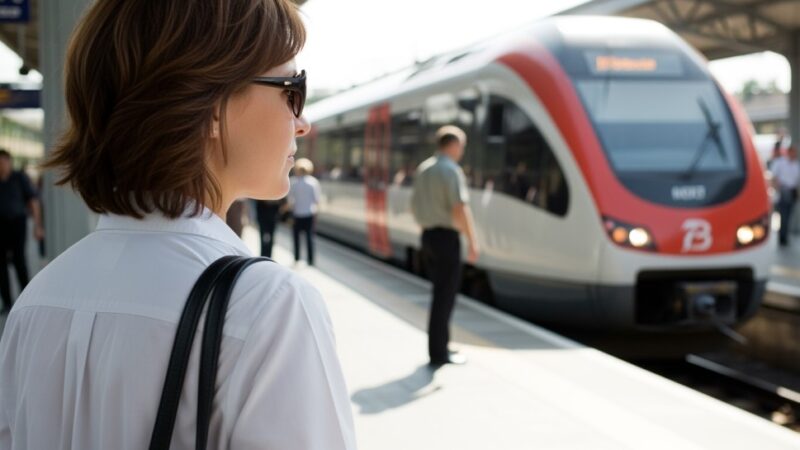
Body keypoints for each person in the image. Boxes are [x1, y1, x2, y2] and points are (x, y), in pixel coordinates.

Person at [0, 1, 356, 449]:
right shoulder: (268, 307)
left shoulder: (38, 299)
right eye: (292, 89)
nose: (302, 122)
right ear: (209, 105)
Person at [410, 125, 479, 367]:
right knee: (445, 296)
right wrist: (472, 241)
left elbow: (415, 205)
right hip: (447, 238)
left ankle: (439, 347)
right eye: (462, 145)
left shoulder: (425, 168)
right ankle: (439, 353)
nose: (462, 150)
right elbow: (460, 207)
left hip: (428, 236)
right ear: (452, 145)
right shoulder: (451, 170)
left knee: (439, 294)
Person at [0, 149, 43, 315]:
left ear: (10, 162)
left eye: (4, 161)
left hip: (17, 223)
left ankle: (27, 298)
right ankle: (7, 303)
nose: (1, 165)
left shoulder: (19, 178)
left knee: (20, 260)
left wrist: (37, 226)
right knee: (1, 265)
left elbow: (33, 201)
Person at [288, 158, 321, 265]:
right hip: (309, 214)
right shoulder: (313, 182)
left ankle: (297, 258)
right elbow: (317, 200)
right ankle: (311, 260)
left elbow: (290, 201)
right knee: (310, 238)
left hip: (297, 214)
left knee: (296, 238)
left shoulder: (293, 182)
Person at [772, 145, 800, 247]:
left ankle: (785, 235)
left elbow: (796, 182)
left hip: (792, 192)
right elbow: (774, 178)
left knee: (789, 215)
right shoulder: (780, 163)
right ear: (789, 152)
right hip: (783, 191)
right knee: (783, 215)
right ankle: (782, 237)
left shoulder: (796, 165)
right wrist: (778, 189)